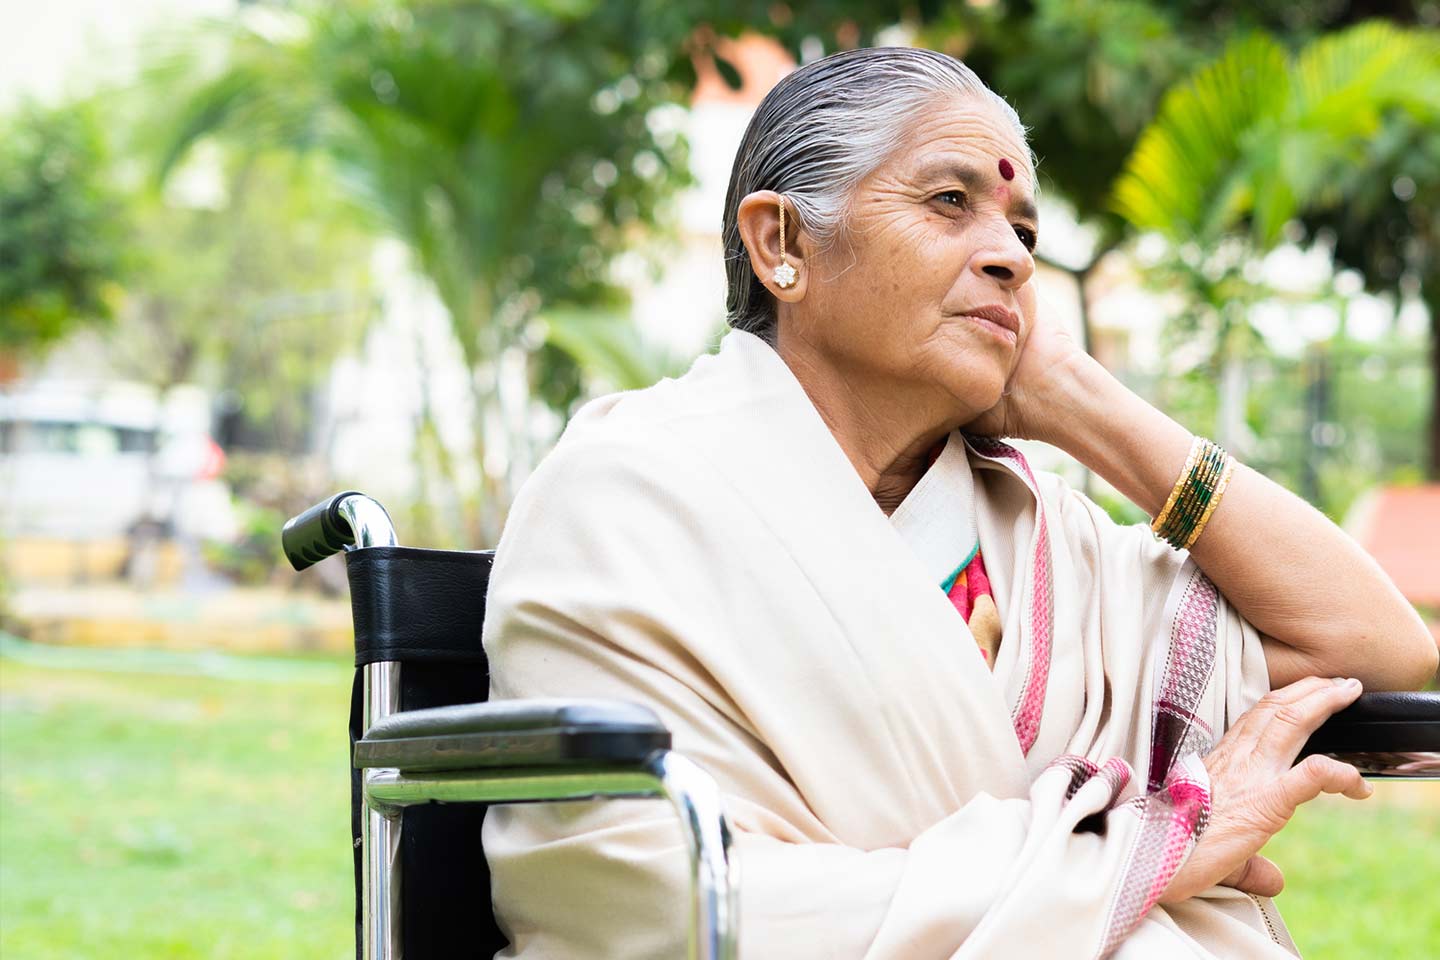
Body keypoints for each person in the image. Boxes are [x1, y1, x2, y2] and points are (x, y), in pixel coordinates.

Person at [480, 46, 1438, 958]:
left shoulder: (1043, 537)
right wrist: (1142, 856)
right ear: (782, 245)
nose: (1013, 259)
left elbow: (1373, 648)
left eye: (1022, 230)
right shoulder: (628, 496)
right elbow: (671, 910)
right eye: (950, 201)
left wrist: (1087, 404)